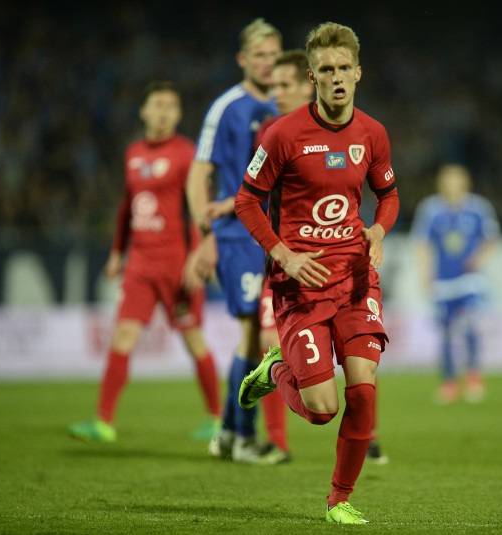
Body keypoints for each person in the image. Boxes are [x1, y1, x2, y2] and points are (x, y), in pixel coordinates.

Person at [235, 22, 399, 524]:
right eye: (326, 70)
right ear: (312, 77)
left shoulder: (372, 133)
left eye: (344, 68)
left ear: (358, 72)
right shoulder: (282, 135)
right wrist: (283, 255)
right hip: (300, 284)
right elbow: (247, 201)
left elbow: (388, 195)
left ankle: (339, 500)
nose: (336, 77)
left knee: (363, 389)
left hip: (355, 277)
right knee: (322, 409)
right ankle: (275, 370)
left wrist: (378, 230)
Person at [68, 81, 222, 443]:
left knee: (193, 339)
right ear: (144, 111)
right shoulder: (133, 152)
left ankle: (218, 419)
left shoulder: (187, 154)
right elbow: (126, 207)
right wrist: (117, 253)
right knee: (123, 335)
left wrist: (198, 255)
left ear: (179, 114)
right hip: (139, 263)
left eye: (170, 106)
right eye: (157, 104)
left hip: (176, 263)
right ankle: (103, 421)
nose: (163, 112)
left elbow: (199, 208)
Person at [185, 18, 282, 463]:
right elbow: (198, 175)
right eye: (260, 55)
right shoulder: (226, 107)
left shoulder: (284, 104)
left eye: (274, 55)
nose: (268, 63)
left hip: (272, 236)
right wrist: (205, 237)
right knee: (253, 334)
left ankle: (226, 433)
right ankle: (244, 437)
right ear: (243, 59)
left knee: (258, 335)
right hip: (236, 235)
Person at [252, 49, 315, 464]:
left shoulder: (341, 129)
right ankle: (278, 441)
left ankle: (370, 437)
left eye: (284, 84)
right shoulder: (269, 133)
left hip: (332, 260)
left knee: (354, 352)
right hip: (281, 262)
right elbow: (251, 196)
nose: (276, 92)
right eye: (272, 85)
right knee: (269, 341)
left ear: (308, 85)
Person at [410, 163, 500, 404]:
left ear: (465, 183)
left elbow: (492, 238)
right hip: (443, 283)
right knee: (446, 332)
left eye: (456, 180)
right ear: (440, 184)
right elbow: (421, 244)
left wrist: (478, 258)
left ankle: (473, 378)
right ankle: (449, 382)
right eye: (447, 180)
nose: (451, 185)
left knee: (470, 324)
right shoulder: (430, 209)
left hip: (470, 281)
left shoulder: (479, 208)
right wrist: (424, 274)